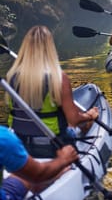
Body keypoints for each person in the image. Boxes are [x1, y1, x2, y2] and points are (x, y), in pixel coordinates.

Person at [6, 25, 99, 158]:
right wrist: (90, 115)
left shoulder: (11, 77)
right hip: (52, 146)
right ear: (50, 48)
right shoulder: (59, 78)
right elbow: (73, 120)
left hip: (19, 145)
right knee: (85, 124)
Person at [0, 125, 78, 200]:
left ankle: (42, 182)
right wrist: (64, 159)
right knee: (40, 177)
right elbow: (38, 175)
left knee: (23, 178)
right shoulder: (3, 137)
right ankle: (44, 181)